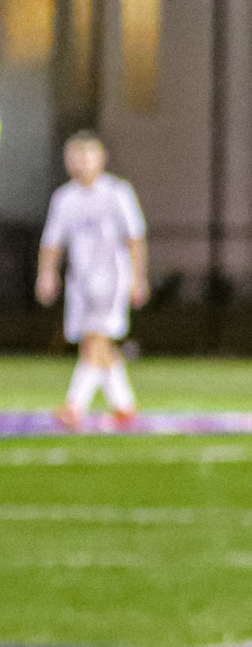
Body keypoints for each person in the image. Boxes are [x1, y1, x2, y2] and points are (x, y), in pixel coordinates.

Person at [37, 131, 148, 431]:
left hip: (111, 279)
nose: (80, 164)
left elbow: (135, 238)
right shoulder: (64, 198)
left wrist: (139, 279)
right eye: (74, 157)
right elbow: (52, 242)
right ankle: (125, 409)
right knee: (97, 345)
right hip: (80, 283)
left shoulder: (117, 193)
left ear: (101, 159)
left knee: (95, 341)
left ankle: (74, 406)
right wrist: (46, 274)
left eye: (87, 157)